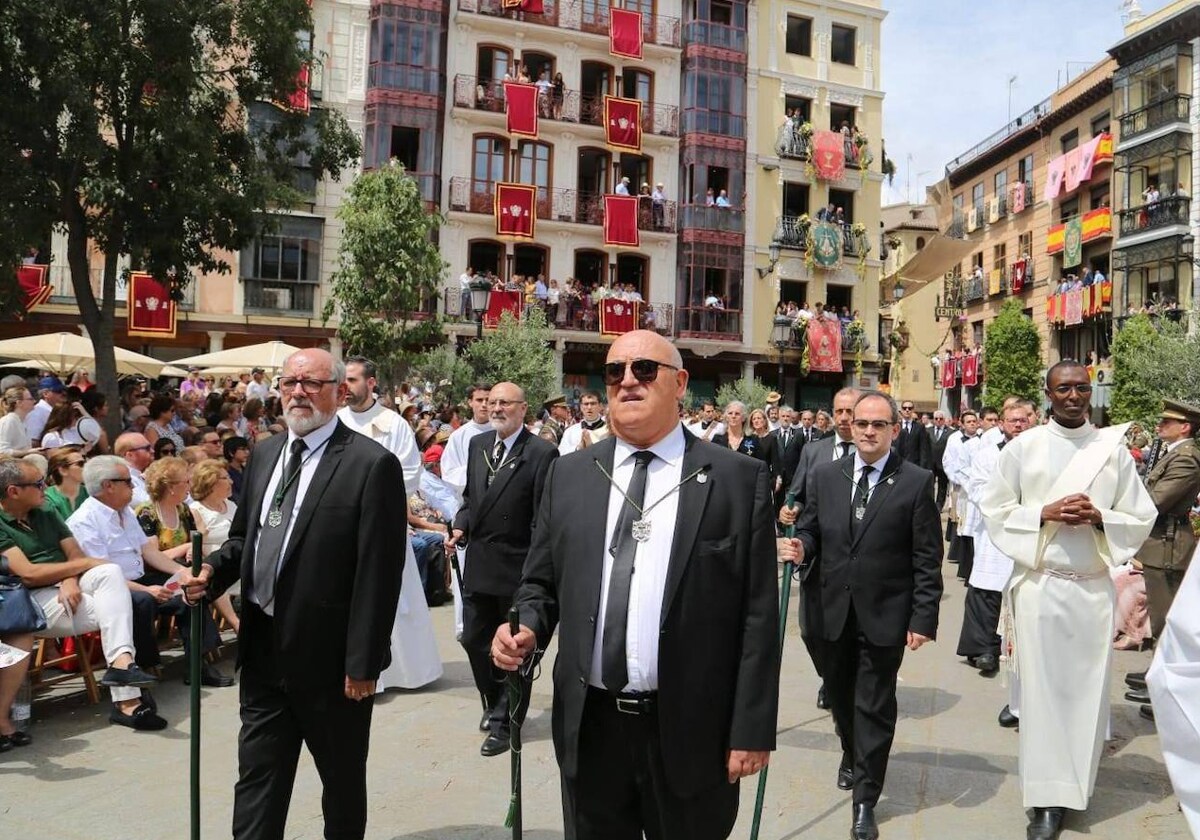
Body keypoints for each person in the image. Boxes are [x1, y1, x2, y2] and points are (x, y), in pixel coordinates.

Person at [491, 330, 779, 840]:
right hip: (593, 728)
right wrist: (527, 627)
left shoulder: (738, 479)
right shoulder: (570, 475)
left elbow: (758, 618)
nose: (627, 382)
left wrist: (751, 729)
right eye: (615, 372)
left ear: (680, 383)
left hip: (692, 730)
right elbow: (539, 583)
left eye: (644, 370)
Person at [180, 348, 407, 840]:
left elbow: (379, 573)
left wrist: (365, 661)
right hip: (262, 651)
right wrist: (211, 573)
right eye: (290, 383)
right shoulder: (265, 453)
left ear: (339, 392)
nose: (298, 392)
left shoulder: (372, 465)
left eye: (312, 383)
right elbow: (244, 538)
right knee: (258, 778)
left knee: (341, 785)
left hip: (332, 664)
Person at [979, 361, 1157, 840]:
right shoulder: (1024, 447)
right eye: (1064, 388)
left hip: (1093, 588)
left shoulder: (1113, 452)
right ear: (1048, 393)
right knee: (1040, 696)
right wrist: (1045, 513)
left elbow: (1141, 514)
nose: (1075, 396)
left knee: (1085, 695)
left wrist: (1101, 517)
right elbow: (993, 508)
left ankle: (1075, 791)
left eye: (1082, 387)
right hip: (1041, 586)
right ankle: (1043, 801)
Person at [792, 390, 943, 840]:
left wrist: (923, 617)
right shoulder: (825, 475)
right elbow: (811, 529)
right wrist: (801, 546)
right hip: (829, 610)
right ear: (850, 427)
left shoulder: (915, 481)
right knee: (840, 699)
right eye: (862, 424)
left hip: (885, 614)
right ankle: (851, 751)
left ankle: (865, 799)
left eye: (880, 425)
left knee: (874, 706)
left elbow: (926, 557)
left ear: (894, 430)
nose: (870, 432)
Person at [0, 457, 162, 730]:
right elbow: (28, 573)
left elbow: (74, 552)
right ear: (13, 491)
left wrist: (70, 577)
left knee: (109, 573)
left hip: (67, 589)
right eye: (38, 484)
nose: (45, 487)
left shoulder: (45, 510)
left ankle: (122, 666)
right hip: (29, 600)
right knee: (120, 608)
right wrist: (80, 567)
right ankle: (127, 701)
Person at [446, 381, 558, 756]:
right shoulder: (478, 446)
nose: (496, 409)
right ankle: (493, 699)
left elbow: (544, 517)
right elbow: (471, 498)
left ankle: (505, 721)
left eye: (505, 403)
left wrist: (535, 570)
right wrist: (460, 524)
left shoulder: (542, 453)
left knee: (513, 649)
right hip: (479, 561)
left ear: (523, 409)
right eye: (492, 402)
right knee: (474, 640)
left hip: (517, 569)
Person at [337, 355, 441, 691]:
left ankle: (404, 672)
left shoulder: (393, 424)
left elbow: (409, 474)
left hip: (381, 522)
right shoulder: (335, 420)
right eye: (344, 380)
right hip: (341, 523)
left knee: (394, 597)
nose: (347, 387)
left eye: (353, 380)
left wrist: (367, 495)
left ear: (370, 383)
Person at [780, 388, 861, 710]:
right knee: (811, 630)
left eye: (850, 412)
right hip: (816, 554)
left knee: (848, 629)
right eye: (839, 411)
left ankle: (843, 682)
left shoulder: (871, 453)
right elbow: (797, 493)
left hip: (855, 558)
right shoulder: (814, 451)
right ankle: (830, 676)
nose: (844, 418)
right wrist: (789, 509)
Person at [1125, 399, 1200, 717]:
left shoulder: (1186, 458)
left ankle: (1168, 697)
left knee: (1167, 623)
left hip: (1168, 546)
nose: (1159, 426)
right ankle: (1160, 683)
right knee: (1162, 620)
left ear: (1185, 427)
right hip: (1160, 543)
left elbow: (1155, 500)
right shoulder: (1176, 453)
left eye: (1167, 422)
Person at [133, 456, 231, 686]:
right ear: (170, 487)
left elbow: (197, 539)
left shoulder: (183, 509)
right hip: (152, 575)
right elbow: (152, 556)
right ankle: (198, 664)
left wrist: (192, 551)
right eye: (185, 482)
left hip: (179, 572)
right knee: (191, 597)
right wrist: (185, 548)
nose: (189, 486)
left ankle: (198, 663)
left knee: (197, 591)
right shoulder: (146, 512)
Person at [956, 402, 1032, 678]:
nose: (1018, 425)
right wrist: (1005, 506)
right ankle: (984, 649)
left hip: (1031, 530)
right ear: (1002, 423)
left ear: (1031, 421)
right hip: (995, 531)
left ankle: (1020, 648)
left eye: (1023, 420)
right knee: (987, 587)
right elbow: (976, 487)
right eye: (1012, 420)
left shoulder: (1042, 453)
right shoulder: (988, 455)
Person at [440, 384, 493, 639]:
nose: (484, 405)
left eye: (488, 400)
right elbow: (450, 473)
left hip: (496, 510)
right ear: (470, 403)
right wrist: (481, 476)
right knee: (465, 568)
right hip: (467, 509)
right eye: (479, 400)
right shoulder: (460, 437)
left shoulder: (500, 432)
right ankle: (464, 625)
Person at [188, 458, 241, 633]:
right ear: (210, 482)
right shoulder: (196, 510)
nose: (231, 481)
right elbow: (197, 544)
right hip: (215, 564)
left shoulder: (232, 505)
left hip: (240, 559)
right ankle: (236, 623)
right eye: (226, 478)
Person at [769, 405, 804, 511]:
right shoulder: (773, 435)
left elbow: (802, 455)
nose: (785, 418)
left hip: (793, 476)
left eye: (788, 416)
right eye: (783, 416)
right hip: (778, 476)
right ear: (779, 417)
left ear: (791, 418)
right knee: (777, 503)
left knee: (790, 504)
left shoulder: (798, 435)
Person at [42, 446, 89, 521]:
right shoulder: (48, 499)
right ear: (63, 470)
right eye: (80, 464)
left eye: (86, 462)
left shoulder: (90, 495)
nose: (86, 467)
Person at [113, 431, 154, 507]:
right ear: (130, 455)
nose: (152, 451)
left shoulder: (142, 475)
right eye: (147, 448)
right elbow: (149, 504)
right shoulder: (122, 479)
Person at [25, 376, 66, 444]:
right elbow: (33, 441)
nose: (63, 394)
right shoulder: (37, 413)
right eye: (58, 391)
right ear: (45, 393)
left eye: (64, 391)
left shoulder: (54, 410)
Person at [0, 386, 37, 456]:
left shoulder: (21, 421)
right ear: (19, 403)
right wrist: (29, 452)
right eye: (30, 399)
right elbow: (2, 451)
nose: (34, 401)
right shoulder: (8, 421)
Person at [895, 399, 932, 469]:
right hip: (897, 465)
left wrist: (922, 467)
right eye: (904, 408)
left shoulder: (920, 427)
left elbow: (923, 449)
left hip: (914, 465)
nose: (907, 410)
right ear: (901, 410)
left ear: (913, 410)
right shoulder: (896, 426)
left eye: (910, 408)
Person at [928, 411, 951, 511]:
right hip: (930, 463)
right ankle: (929, 504)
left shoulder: (950, 432)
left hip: (943, 464)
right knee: (929, 485)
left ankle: (939, 506)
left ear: (944, 420)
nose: (938, 420)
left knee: (942, 486)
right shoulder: (927, 431)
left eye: (940, 419)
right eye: (936, 418)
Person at [223, 435, 250, 504]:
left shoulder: (247, 470)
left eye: (247, 449)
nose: (247, 452)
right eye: (243, 449)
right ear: (231, 453)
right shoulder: (226, 473)